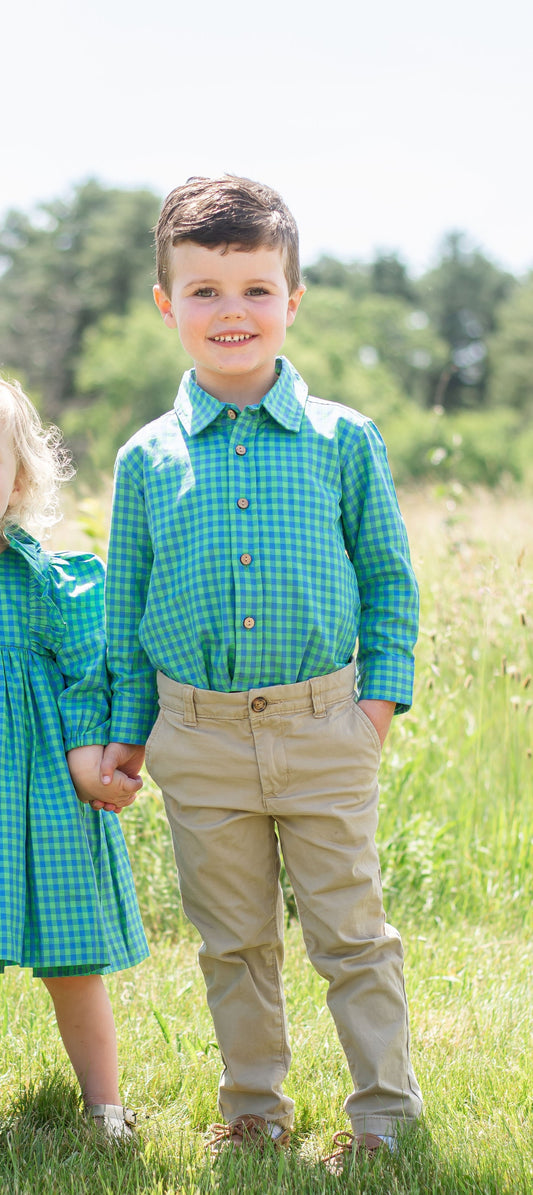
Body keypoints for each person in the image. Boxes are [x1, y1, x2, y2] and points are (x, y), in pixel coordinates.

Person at [99, 174, 423, 1166]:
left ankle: (383, 1116)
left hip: (324, 724)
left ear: (292, 298)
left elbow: (386, 578)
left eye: (254, 288)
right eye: (204, 290)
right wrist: (126, 730)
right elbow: (124, 614)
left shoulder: (342, 439)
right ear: (167, 305)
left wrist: (373, 705)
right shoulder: (146, 459)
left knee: (349, 932)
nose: (230, 312)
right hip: (193, 735)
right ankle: (253, 1109)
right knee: (232, 940)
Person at [0, 378, 149, 1139]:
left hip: (33, 797)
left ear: (19, 478)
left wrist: (92, 760)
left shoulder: (48, 582)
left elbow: (88, 680)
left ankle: (105, 1106)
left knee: (70, 959)